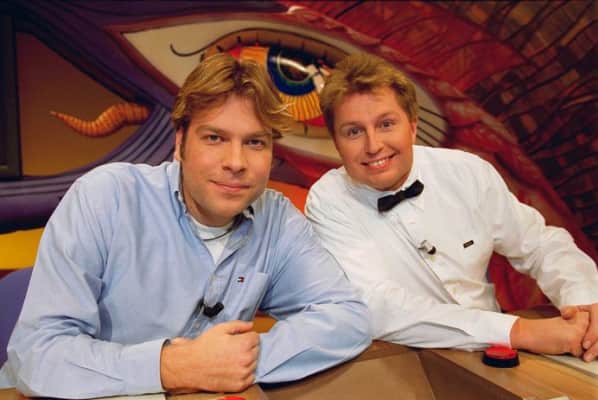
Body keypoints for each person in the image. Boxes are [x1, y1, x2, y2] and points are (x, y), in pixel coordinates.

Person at [0, 53, 371, 398]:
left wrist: (233, 362)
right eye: (215, 138)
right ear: (180, 144)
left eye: (255, 142)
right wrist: (169, 367)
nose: (236, 162)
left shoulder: (277, 220)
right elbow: (37, 355)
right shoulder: (106, 197)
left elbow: (347, 317)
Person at [305, 52, 598, 362]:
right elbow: (376, 306)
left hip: (502, 355)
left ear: (413, 127)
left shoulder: (467, 171)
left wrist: (585, 302)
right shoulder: (328, 200)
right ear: (336, 141)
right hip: (401, 361)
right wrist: (521, 332)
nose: (373, 145)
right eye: (354, 131)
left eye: (386, 124)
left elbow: (539, 243)